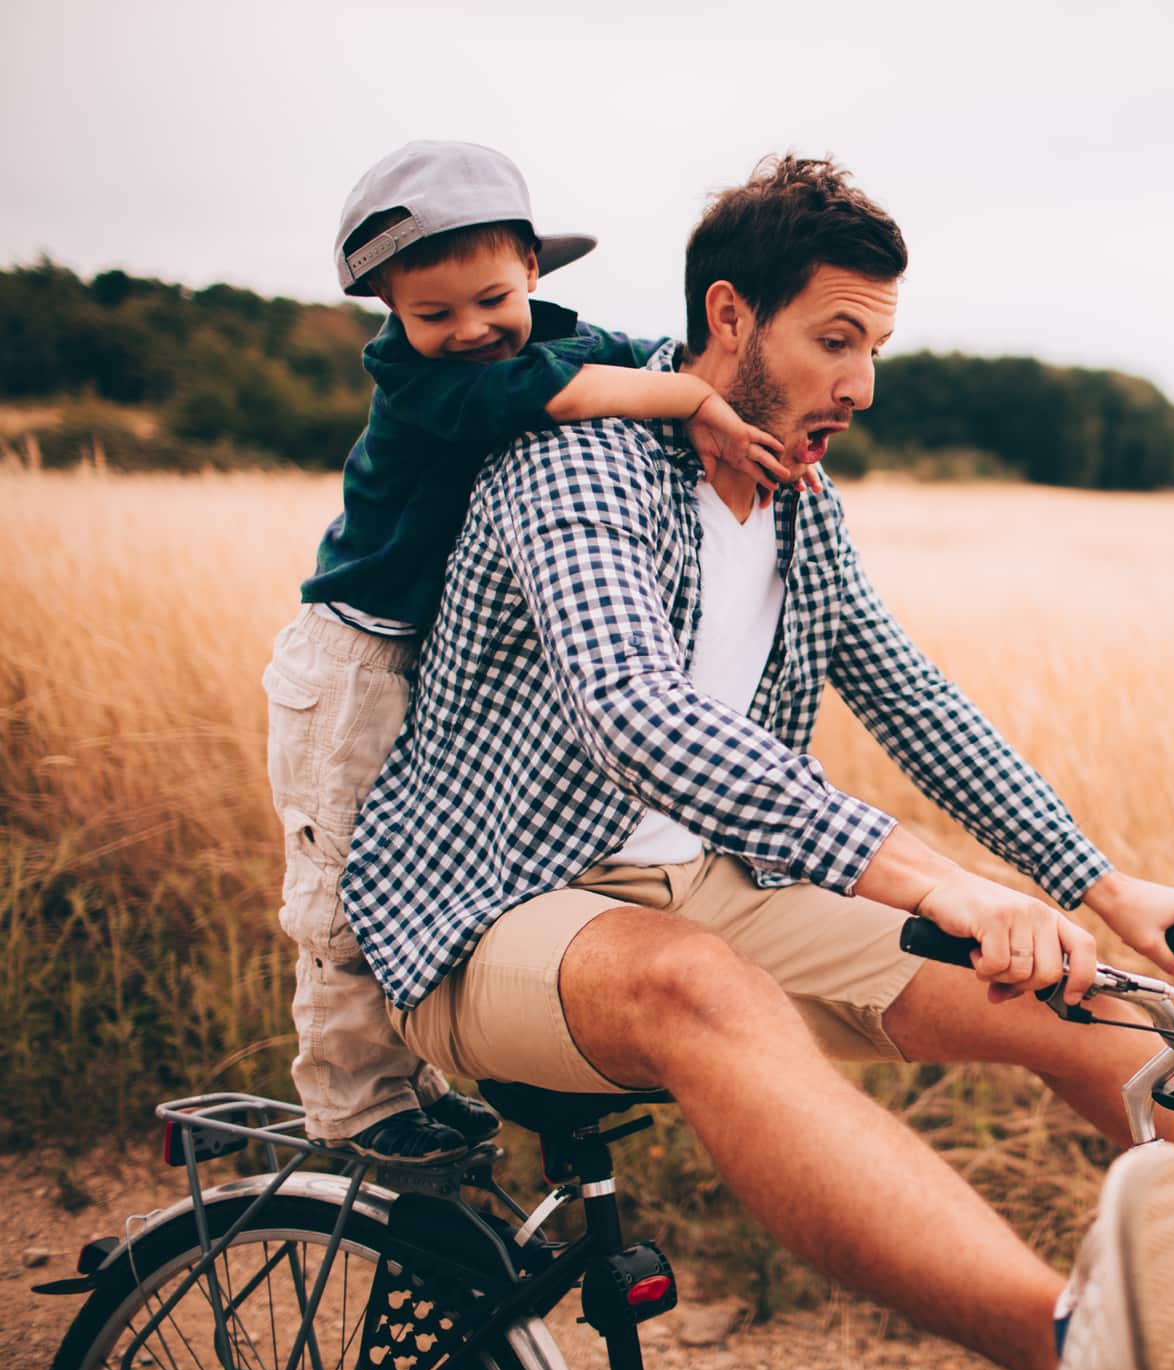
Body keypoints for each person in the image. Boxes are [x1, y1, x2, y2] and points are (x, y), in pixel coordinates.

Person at [341, 154, 1174, 1370]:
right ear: (728, 318)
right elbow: (638, 714)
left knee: (1080, 994)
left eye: (877, 348)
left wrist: (1097, 881)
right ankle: (1081, 1349)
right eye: (837, 340)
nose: (860, 386)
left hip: (706, 878)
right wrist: (938, 880)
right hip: (499, 912)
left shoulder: (794, 491)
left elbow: (909, 696)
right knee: (693, 985)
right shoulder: (582, 456)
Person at [263, 140, 800, 1165]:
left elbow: (631, 358)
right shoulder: (417, 384)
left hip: (428, 660)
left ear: (534, 276)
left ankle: (410, 1077)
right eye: (433, 314)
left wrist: (716, 372)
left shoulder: (559, 340)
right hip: (355, 661)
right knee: (338, 881)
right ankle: (353, 1103)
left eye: (490, 300)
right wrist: (693, 402)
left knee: (404, 857)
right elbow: (548, 397)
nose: (467, 331)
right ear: (390, 312)